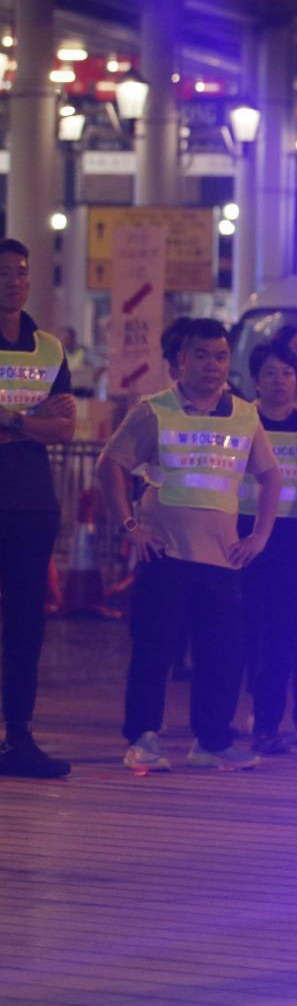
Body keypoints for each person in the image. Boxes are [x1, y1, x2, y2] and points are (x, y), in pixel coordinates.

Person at [98, 317, 282, 772]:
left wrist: (260, 536)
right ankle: (143, 738)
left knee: (221, 655)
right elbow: (110, 464)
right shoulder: (154, 410)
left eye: (220, 356)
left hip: (222, 557)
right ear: (181, 360)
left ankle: (212, 741)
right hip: (165, 553)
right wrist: (131, 525)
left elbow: (271, 475)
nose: (212, 365)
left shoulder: (244, 414)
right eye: (201, 355)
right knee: (154, 650)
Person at [0, 238, 75, 778]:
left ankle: (19, 737)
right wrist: (34, 420)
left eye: (21, 272)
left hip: (31, 503)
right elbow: (48, 421)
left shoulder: (49, 350)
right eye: (4, 272)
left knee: (26, 626)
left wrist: (14, 423)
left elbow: (66, 428)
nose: (14, 282)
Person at [237, 340, 297, 754]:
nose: (281, 381)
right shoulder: (240, 422)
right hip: (240, 534)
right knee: (240, 630)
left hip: (292, 538)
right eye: (271, 373)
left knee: (282, 633)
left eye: (288, 373)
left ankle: (268, 724)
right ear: (256, 380)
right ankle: (224, 719)